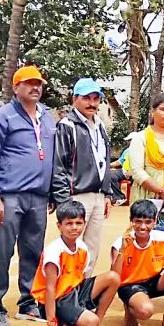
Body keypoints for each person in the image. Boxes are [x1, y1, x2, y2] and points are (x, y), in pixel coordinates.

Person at [0, 65, 57, 326]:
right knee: (2, 253)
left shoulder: (48, 117)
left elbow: (53, 157)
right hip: (9, 196)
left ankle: (28, 302)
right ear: (16, 88)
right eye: (29, 83)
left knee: (34, 253)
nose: (35, 87)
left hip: (38, 196)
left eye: (39, 84)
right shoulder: (1, 118)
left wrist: (52, 193)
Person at [34, 200, 121, 326]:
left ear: (84, 224)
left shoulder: (82, 247)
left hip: (73, 291)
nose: (74, 227)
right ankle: (64, 321)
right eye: (69, 223)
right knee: (89, 321)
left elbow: (80, 278)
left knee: (113, 278)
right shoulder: (55, 251)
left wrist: (79, 304)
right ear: (59, 226)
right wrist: (51, 324)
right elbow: (49, 289)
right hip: (56, 298)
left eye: (78, 223)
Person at [50, 78, 116, 275]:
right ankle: (67, 294)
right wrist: (64, 202)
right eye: (86, 98)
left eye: (96, 99)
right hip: (76, 195)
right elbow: (59, 165)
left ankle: (82, 293)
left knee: (92, 248)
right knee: (72, 246)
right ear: (74, 99)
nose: (92, 103)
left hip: (97, 195)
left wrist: (107, 193)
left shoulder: (100, 126)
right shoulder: (67, 125)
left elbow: (103, 161)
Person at [110, 199, 164, 326]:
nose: (142, 227)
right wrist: (122, 251)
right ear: (131, 221)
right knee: (145, 311)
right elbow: (114, 276)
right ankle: (129, 307)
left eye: (148, 222)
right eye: (138, 221)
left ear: (155, 222)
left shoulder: (163, 238)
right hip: (130, 285)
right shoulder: (121, 242)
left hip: (155, 281)